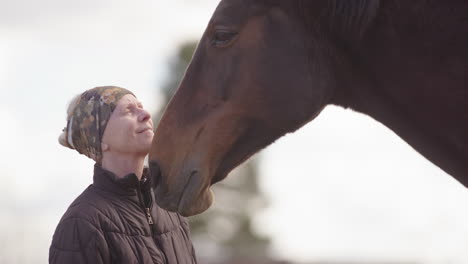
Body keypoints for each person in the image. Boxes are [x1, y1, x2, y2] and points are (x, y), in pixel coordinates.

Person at [49, 86, 197, 264]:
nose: (146, 114)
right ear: (100, 139)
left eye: (141, 106)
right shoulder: (81, 224)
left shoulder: (170, 210)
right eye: (129, 110)